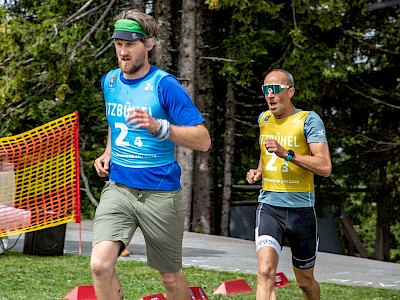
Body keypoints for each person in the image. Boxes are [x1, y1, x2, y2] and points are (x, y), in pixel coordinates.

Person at [91, 9, 211, 300]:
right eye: (118, 43)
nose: (123, 51)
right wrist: (108, 152)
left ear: (149, 44)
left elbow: (203, 140)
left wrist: (161, 128)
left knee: (170, 277)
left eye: (130, 43)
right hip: (118, 188)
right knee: (99, 265)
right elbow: (114, 122)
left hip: (159, 193)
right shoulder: (110, 82)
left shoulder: (164, 85)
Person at [246, 69, 332, 300]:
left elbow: (324, 167)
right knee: (265, 272)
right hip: (270, 206)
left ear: (290, 92)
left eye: (275, 89)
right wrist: (259, 171)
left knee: (305, 282)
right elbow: (266, 151)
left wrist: (288, 154)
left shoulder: (308, 120)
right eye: (265, 90)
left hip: (301, 209)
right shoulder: (264, 119)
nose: (270, 95)